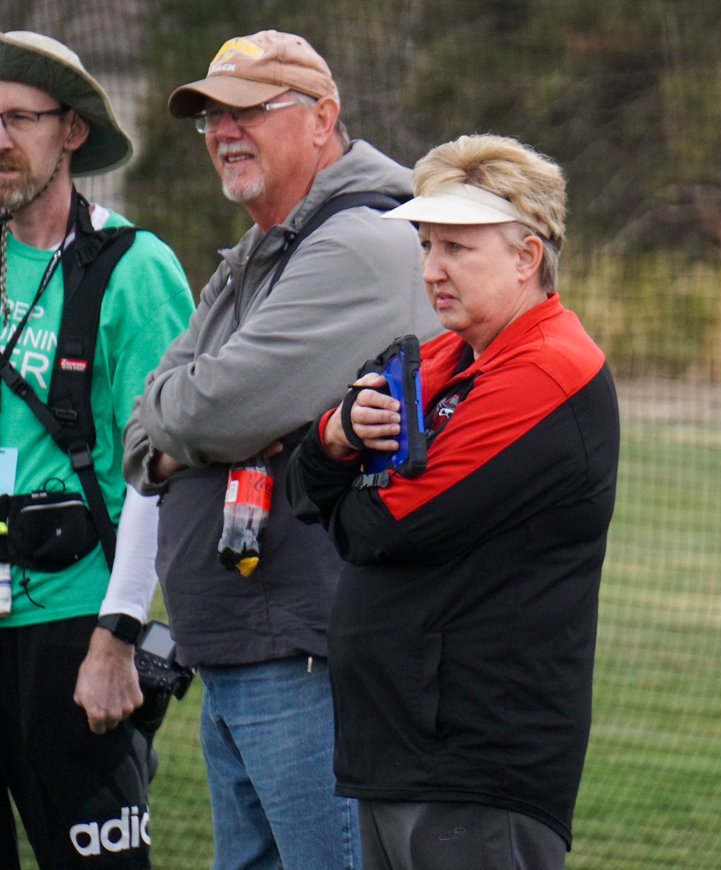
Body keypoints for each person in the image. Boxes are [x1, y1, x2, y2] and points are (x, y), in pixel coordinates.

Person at [122, 30, 441, 870]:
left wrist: (185, 430)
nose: (225, 131)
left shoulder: (359, 242)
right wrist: (182, 430)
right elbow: (148, 425)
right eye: (211, 118)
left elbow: (212, 408)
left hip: (301, 648)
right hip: (241, 644)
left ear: (322, 118)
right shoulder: (258, 250)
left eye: (248, 111)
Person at [286, 133, 620, 870]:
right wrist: (338, 437)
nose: (432, 269)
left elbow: (383, 526)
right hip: (401, 744)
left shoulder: (550, 369)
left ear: (528, 256)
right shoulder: (443, 355)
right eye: (427, 244)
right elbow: (304, 487)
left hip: (475, 765)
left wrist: (342, 467)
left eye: (457, 248)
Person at [0, 31, 194, 868]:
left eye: (18, 118)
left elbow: (161, 469)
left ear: (71, 132)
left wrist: (117, 639)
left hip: (72, 629)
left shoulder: (135, 269)